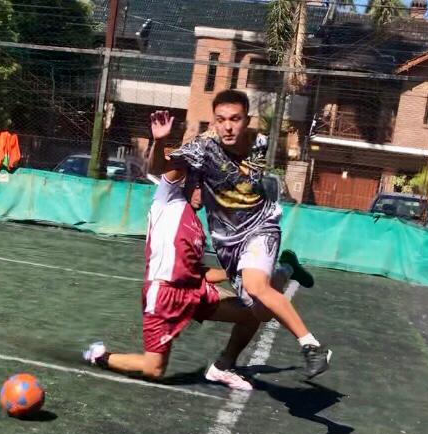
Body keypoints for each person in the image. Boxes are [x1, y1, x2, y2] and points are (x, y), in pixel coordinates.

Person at [82, 140, 312, 390]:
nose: (209, 195)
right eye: (205, 188)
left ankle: (222, 367)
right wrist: (161, 140)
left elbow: (197, 272)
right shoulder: (167, 199)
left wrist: (234, 271)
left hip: (193, 291)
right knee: (154, 369)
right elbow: (166, 167)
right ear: (191, 183)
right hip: (164, 295)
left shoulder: (197, 225)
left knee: (253, 312)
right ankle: (99, 355)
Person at [146, 90, 330, 379]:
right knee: (260, 311)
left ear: (247, 120)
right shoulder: (202, 148)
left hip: (261, 226)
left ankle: (311, 346)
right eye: (221, 120)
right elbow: (159, 169)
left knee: (256, 286)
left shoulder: (260, 143)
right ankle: (287, 268)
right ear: (213, 122)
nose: (228, 127)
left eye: (235, 119)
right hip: (228, 242)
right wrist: (159, 141)